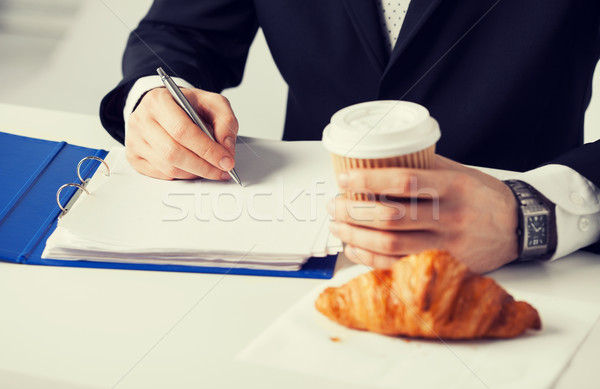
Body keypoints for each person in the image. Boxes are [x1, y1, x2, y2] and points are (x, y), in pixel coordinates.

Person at [100, 0, 600, 273]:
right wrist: (154, 96)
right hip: (301, 243)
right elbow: (181, 28)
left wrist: (534, 211)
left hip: (531, 264)